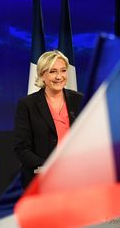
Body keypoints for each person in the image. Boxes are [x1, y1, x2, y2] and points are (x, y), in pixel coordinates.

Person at [14, 50, 83, 187]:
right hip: (42, 180)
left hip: (76, 178)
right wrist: (48, 167)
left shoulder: (79, 100)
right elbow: (22, 148)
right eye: (53, 72)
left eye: (63, 71)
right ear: (42, 75)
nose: (59, 76)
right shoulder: (27, 105)